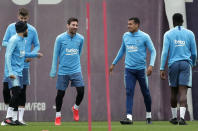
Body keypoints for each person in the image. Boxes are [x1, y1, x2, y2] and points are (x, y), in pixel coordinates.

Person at [109, 17, 156, 124]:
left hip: (141, 70)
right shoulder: (125, 36)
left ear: (137, 25)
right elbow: (122, 50)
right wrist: (113, 63)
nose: (128, 26)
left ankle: (148, 115)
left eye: (130, 24)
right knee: (129, 92)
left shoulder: (145, 36)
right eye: (128, 24)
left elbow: (153, 51)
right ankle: (129, 117)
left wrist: (151, 65)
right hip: (129, 70)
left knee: (146, 93)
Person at [1, 8, 40, 125]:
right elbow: (5, 44)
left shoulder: (29, 33)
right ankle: (9, 117)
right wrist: (15, 47)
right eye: (21, 18)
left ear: (28, 18)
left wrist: (33, 55)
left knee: (20, 91)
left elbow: (34, 47)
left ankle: (17, 118)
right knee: (7, 90)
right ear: (18, 16)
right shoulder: (13, 35)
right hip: (12, 67)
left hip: (23, 66)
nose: (24, 21)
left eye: (25, 19)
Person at [160, 13, 197, 125]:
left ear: (173, 22)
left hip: (173, 64)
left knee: (173, 91)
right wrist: (194, 62)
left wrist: (162, 68)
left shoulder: (168, 34)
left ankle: (173, 117)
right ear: (182, 21)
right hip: (186, 64)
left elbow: (165, 52)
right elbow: (194, 52)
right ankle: (182, 118)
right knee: (183, 91)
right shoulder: (190, 34)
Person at [50, 17, 85, 126]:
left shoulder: (81, 38)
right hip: (63, 71)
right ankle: (58, 116)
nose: (75, 27)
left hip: (76, 70)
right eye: (73, 25)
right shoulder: (60, 38)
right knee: (60, 94)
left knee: (81, 91)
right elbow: (55, 55)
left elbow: (79, 53)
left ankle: (75, 108)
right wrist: (53, 70)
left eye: (76, 25)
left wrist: (75, 64)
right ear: (67, 25)